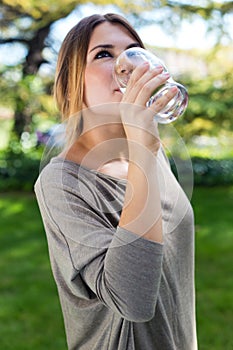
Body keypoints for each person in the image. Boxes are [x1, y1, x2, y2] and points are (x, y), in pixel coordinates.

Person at [34, 13, 198, 350]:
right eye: (104, 54)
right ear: (73, 81)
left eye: (134, 51)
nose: (127, 67)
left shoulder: (154, 154)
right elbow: (132, 300)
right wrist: (142, 148)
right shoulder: (60, 182)